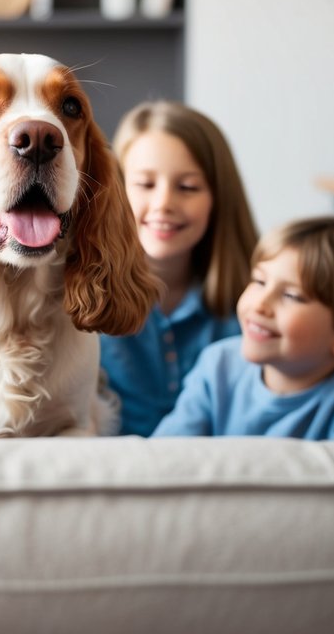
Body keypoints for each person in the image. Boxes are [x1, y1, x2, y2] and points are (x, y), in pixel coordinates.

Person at [151, 216, 334, 440]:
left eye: (292, 296)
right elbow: (164, 457)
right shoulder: (217, 365)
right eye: (259, 281)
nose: (260, 304)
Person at [99, 101, 258, 436]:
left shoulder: (254, 306)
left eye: (187, 187)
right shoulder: (78, 305)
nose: (164, 204)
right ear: (115, 190)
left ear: (218, 198)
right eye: (144, 184)